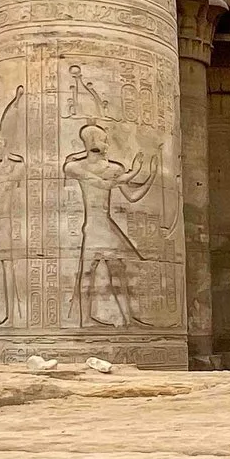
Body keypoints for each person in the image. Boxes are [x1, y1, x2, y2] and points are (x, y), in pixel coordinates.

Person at [62, 121, 157, 327]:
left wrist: (150, 177)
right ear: (94, 142)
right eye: (104, 141)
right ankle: (88, 319)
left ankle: (127, 320)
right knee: (91, 273)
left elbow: (131, 196)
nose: (107, 145)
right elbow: (102, 182)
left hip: (104, 225)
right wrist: (131, 174)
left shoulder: (111, 169)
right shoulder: (78, 167)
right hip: (95, 226)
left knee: (114, 272)